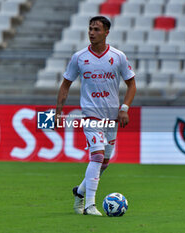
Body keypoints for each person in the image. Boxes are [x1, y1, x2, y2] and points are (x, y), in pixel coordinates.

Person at [55, 16, 136, 216]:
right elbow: (65, 84)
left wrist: (124, 107)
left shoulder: (118, 57)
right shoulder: (79, 57)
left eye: (96, 29)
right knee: (97, 155)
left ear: (107, 32)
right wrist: (58, 111)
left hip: (111, 118)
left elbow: (131, 84)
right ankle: (90, 205)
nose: (92, 32)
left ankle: (80, 191)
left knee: (105, 162)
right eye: (90, 28)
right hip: (90, 115)